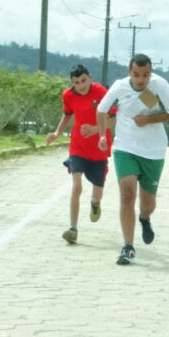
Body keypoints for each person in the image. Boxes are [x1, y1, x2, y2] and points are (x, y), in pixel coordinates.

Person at [96, 54, 169, 265]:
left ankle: (144, 218)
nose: (141, 79)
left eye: (145, 75)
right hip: (125, 147)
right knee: (126, 194)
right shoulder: (120, 86)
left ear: (151, 73)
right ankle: (128, 247)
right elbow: (101, 110)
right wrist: (102, 135)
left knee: (148, 203)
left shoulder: (160, 86)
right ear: (129, 72)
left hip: (153, 151)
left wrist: (149, 119)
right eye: (136, 74)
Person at [46, 64, 116, 244]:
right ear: (72, 83)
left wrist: (95, 129)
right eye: (76, 82)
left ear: (90, 77)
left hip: (99, 147)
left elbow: (114, 118)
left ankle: (95, 203)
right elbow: (67, 115)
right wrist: (57, 133)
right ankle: (73, 229)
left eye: (83, 80)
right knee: (76, 187)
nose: (81, 85)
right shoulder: (68, 95)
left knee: (97, 191)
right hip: (78, 146)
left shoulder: (101, 93)